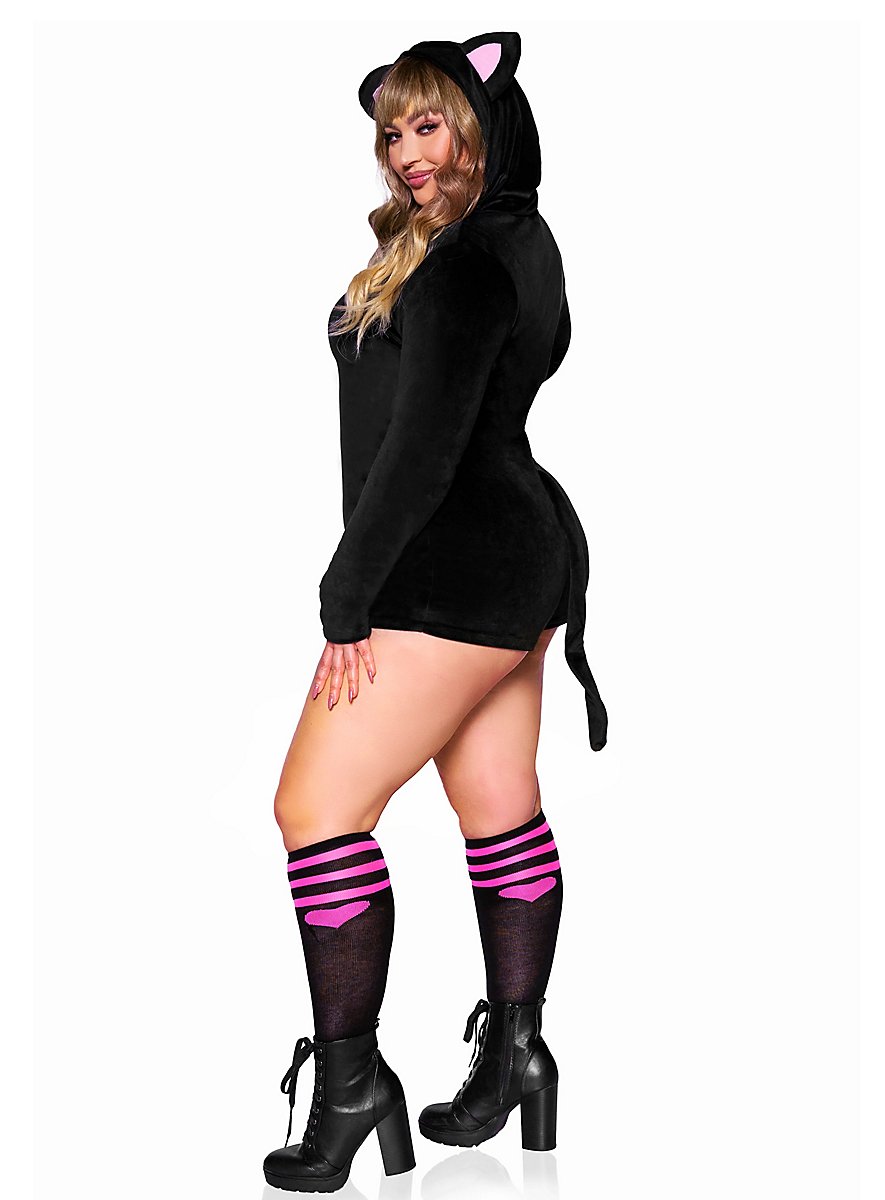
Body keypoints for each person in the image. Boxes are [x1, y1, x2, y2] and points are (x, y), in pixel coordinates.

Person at [262, 30, 608, 1193]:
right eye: (393, 132)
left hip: (448, 570)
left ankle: (352, 1089)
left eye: (431, 124)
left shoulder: (465, 264)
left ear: (482, 125)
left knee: (315, 810)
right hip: (518, 562)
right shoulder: (508, 242)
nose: (408, 151)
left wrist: (347, 596)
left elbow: (419, 450)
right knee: (498, 804)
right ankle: (519, 1057)